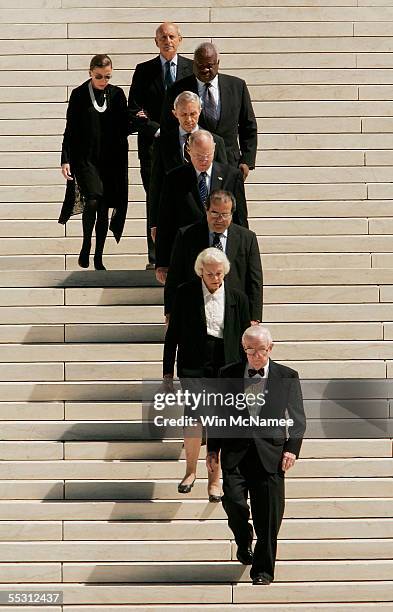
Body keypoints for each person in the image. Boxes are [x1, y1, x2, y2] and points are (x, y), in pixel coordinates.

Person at [206, 325, 306, 585]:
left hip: (270, 455)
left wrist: (292, 450)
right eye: (249, 350)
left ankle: (263, 571)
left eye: (260, 350)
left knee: (269, 518)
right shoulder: (226, 374)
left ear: (270, 348)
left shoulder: (287, 376)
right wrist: (212, 449)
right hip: (235, 454)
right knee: (234, 504)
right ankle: (242, 538)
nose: (255, 355)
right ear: (244, 349)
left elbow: (297, 419)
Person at [163, 248, 250, 502]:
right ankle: (190, 471)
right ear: (201, 271)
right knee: (194, 417)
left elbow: (244, 338)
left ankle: (214, 480)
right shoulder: (186, 293)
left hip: (226, 362)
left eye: (219, 273)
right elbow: (173, 335)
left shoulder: (237, 298)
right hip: (194, 363)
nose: (215, 278)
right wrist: (168, 372)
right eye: (210, 273)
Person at [127, 22, 193, 269]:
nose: (168, 40)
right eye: (163, 37)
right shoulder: (144, 71)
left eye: (172, 36)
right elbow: (134, 109)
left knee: (185, 198)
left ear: (180, 39)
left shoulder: (190, 69)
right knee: (155, 199)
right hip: (153, 149)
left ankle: (182, 253)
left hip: (185, 146)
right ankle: (155, 258)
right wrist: (157, 129)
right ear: (156, 42)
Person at [59, 54, 128, 271]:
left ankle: (98, 256)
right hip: (86, 159)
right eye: (99, 76)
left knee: (105, 208)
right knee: (92, 200)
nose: (103, 81)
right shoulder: (79, 94)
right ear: (90, 72)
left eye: (107, 76)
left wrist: (139, 119)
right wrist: (65, 159)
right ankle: (86, 243)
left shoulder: (117, 94)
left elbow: (124, 125)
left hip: (111, 160)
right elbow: (70, 130)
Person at [154, 130, 249, 283]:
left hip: (221, 251)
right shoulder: (174, 179)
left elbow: (240, 219)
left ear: (214, 149)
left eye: (208, 155)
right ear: (188, 151)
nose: (204, 160)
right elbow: (165, 222)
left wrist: (243, 255)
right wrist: (162, 262)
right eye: (199, 155)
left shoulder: (232, 176)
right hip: (188, 252)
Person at [161, 41, 257, 180]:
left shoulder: (237, 86)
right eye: (200, 65)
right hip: (193, 163)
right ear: (193, 64)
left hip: (230, 163)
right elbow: (167, 127)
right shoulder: (177, 89)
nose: (205, 69)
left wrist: (247, 161)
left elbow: (248, 126)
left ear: (218, 63)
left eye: (209, 65)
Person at [165, 189, 262, 323]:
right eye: (215, 213)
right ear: (207, 211)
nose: (219, 219)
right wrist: (170, 311)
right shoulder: (187, 235)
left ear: (232, 214)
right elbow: (174, 276)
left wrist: (254, 317)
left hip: (234, 310)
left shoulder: (247, 238)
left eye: (225, 214)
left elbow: (254, 280)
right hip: (196, 308)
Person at [149, 90, 227, 237]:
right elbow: (156, 184)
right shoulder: (163, 143)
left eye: (193, 113)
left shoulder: (216, 142)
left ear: (200, 111)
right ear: (175, 113)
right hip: (176, 215)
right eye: (184, 114)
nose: (189, 119)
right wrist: (154, 223)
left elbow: (224, 180)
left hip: (209, 215)